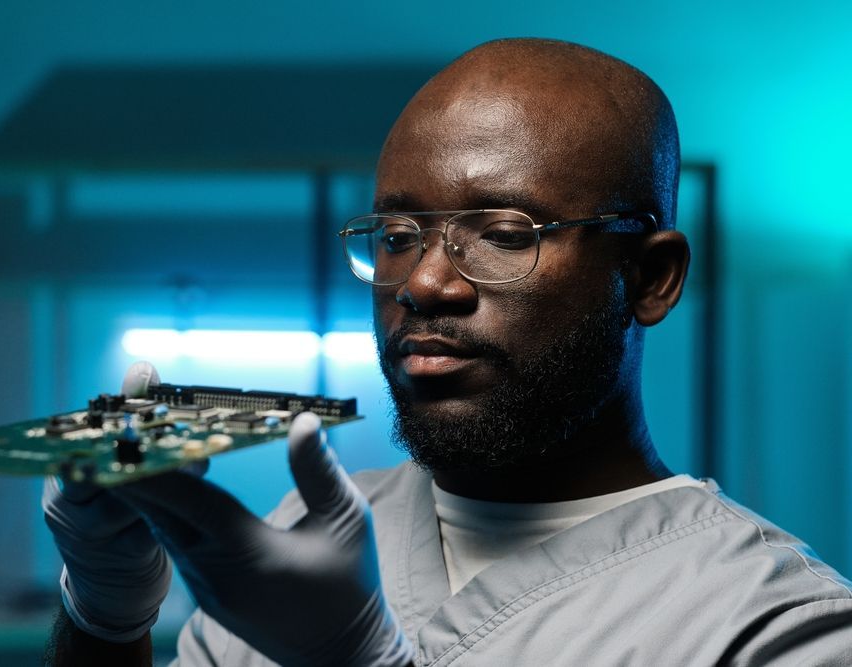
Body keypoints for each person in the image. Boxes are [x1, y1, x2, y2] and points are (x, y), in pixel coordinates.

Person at [43, 38, 852, 666]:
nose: (423, 282)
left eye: (503, 235)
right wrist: (105, 618)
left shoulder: (773, 625)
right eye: (397, 236)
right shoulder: (306, 538)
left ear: (650, 276)